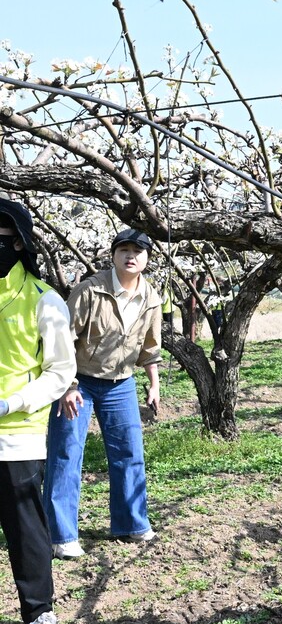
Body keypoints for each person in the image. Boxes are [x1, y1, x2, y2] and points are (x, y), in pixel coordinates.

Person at [44, 228, 163, 559]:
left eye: (138, 251)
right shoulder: (89, 291)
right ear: (113, 255)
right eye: (124, 249)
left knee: (129, 452)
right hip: (78, 380)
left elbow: (150, 346)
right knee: (66, 453)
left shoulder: (151, 297)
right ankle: (61, 535)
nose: (131, 256)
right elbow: (63, 340)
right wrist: (66, 385)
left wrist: (153, 383)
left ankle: (132, 524)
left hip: (121, 383)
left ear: (147, 258)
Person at [0, 199, 76, 624]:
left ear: (21, 245)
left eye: (4, 241)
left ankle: (40, 614)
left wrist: (12, 404)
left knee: (26, 529)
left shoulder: (43, 299)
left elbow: (60, 371)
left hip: (17, 436)